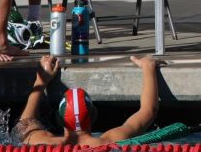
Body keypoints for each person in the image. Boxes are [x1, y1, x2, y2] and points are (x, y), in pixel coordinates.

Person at [14, 54, 163, 145]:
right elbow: (149, 111)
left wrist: (40, 82)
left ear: (58, 119)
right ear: (94, 115)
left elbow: (24, 125)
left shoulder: (43, 143)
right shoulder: (111, 141)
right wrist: (148, 67)